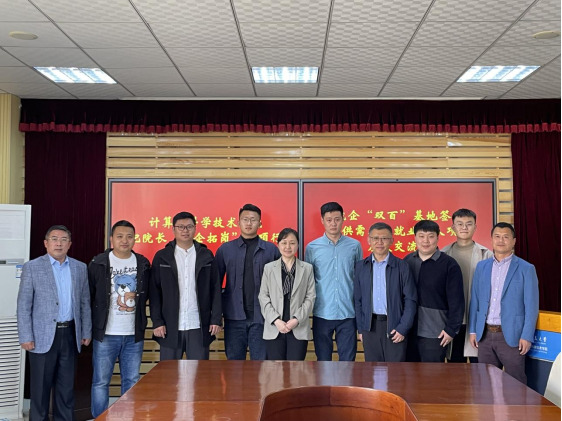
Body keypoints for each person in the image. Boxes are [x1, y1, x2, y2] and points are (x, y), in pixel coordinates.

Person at [17, 225, 92, 421]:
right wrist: (25, 336)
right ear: (46, 243)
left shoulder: (80, 268)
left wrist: (86, 331)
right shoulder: (32, 267)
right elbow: (24, 304)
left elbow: (84, 302)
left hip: (70, 334)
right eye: (54, 239)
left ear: (70, 244)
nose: (59, 243)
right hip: (41, 337)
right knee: (40, 390)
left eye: (63, 239)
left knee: (66, 389)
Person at [88, 220, 151, 418]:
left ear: (135, 239)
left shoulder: (143, 263)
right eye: (120, 236)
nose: (125, 240)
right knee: (101, 382)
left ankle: (127, 417)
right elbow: (89, 297)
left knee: (131, 381)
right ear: (111, 239)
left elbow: (148, 295)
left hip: (133, 335)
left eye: (129, 236)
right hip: (105, 334)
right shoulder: (98, 263)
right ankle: (100, 417)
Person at [469, 222, 539, 385]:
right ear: (491, 239)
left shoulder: (526, 268)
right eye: (497, 236)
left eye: (506, 237)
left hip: (512, 336)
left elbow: (531, 306)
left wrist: (527, 335)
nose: (501, 240)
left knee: (516, 383)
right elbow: (475, 301)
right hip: (484, 335)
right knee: (486, 383)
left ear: (513, 241)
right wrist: (473, 330)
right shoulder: (481, 267)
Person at [150, 212, 222, 360]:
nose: (185, 230)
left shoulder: (206, 255)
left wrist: (215, 319)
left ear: (195, 228)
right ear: (173, 229)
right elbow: (154, 292)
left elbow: (215, 288)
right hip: (169, 326)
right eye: (181, 227)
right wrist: (157, 322)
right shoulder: (162, 256)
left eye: (189, 226)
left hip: (198, 324)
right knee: (169, 372)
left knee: (199, 371)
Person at [216, 204, 280, 360]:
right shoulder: (225, 249)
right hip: (234, 318)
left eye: (253, 219)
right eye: (245, 219)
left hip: (262, 318)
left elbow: (280, 285)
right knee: (234, 367)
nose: (249, 223)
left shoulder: (271, 250)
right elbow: (215, 285)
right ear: (238, 222)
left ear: (260, 223)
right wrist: (217, 316)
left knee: (262, 366)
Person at [305, 202, 363, 362]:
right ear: (322, 220)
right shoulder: (312, 248)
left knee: (348, 361)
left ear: (343, 219)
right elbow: (308, 280)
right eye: (329, 220)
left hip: (348, 312)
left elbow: (359, 278)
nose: (333, 224)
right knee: (323, 361)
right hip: (322, 312)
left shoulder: (354, 246)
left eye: (337, 219)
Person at [354, 223, 417, 362]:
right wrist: (361, 329)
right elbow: (358, 300)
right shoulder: (361, 267)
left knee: (395, 370)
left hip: (395, 326)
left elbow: (410, 300)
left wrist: (403, 328)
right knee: (372, 369)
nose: (380, 242)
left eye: (384, 238)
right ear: (369, 240)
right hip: (370, 327)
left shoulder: (402, 266)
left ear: (392, 240)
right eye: (375, 238)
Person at [404, 220, 464, 363]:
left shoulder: (449, 264)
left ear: (437, 238)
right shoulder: (407, 261)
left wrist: (451, 329)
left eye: (430, 236)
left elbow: (457, 301)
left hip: (436, 333)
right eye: (421, 236)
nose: (425, 241)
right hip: (408, 331)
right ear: (415, 238)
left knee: (431, 374)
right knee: (409, 374)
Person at [442, 208, 493, 364]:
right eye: (460, 224)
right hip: (453, 319)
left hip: (478, 320)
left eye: (469, 224)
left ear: (475, 227)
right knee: (455, 367)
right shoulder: (443, 254)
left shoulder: (487, 255)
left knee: (480, 368)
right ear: (453, 227)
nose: (464, 227)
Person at [259, 228, 316, 361]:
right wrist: (276, 320)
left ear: (298, 245)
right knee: (275, 369)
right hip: (275, 327)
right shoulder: (269, 268)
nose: (288, 247)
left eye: (292, 243)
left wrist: (296, 319)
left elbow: (310, 297)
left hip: (298, 327)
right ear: (278, 245)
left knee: (297, 369)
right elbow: (263, 297)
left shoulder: (307, 268)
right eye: (284, 243)